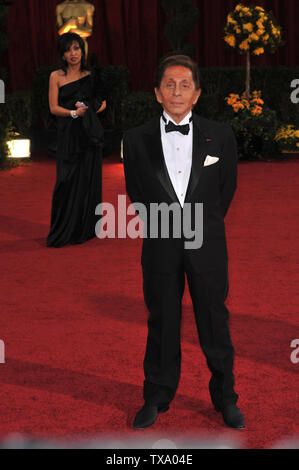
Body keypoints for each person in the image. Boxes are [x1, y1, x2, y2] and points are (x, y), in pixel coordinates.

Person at [123, 55, 245, 430]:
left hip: (206, 243)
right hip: (160, 242)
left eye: (185, 85)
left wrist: (200, 226)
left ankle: (225, 398)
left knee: (214, 319)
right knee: (162, 320)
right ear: (158, 93)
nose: (177, 92)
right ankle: (156, 396)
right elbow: (137, 194)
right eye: (170, 85)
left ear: (197, 94)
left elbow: (226, 189)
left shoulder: (220, 134)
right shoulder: (135, 139)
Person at [47, 32, 106, 248]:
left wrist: (90, 110)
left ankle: (84, 228)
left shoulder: (91, 75)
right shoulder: (56, 76)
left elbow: (103, 104)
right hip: (67, 135)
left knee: (87, 180)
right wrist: (74, 113)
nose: (74, 54)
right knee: (65, 180)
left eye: (77, 48)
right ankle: (62, 230)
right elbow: (53, 108)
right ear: (62, 54)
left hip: (88, 135)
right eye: (69, 49)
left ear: (83, 50)